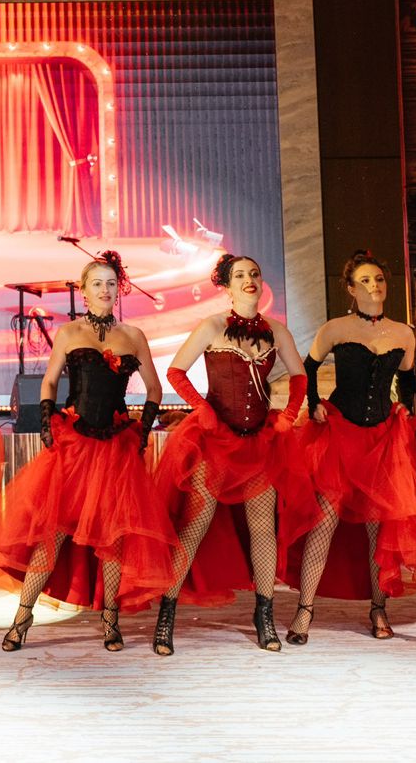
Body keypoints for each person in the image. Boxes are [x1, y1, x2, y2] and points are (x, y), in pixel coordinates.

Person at [0, 250, 176, 652]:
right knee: (52, 532)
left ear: (119, 289)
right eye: (97, 283)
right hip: (74, 445)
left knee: (114, 537)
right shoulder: (69, 333)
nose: (105, 290)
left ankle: (110, 620)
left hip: (116, 447)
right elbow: (49, 381)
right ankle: (22, 618)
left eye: (111, 283)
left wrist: (142, 431)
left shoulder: (133, 336)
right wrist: (48, 423)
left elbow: (154, 388)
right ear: (84, 291)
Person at [279, 252, 416, 644]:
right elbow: (307, 369)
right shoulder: (335, 328)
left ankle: (379, 609)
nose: (374, 286)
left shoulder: (403, 332)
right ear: (350, 288)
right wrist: (313, 402)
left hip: (382, 440)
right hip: (339, 435)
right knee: (324, 524)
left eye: (378, 279)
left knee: (378, 530)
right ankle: (304, 610)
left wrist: (405, 405)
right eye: (364, 280)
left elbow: (408, 378)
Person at [156, 253, 308, 653]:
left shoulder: (276, 330)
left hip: (260, 442)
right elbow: (175, 371)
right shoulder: (212, 325)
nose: (249, 279)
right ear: (227, 286)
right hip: (215, 442)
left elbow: (299, 376)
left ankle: (264, 615)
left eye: (254, 273)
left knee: (263, 527)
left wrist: (289, 414)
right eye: (239, 275)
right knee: (195, 525)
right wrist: (201, 409)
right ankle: (166, 613)